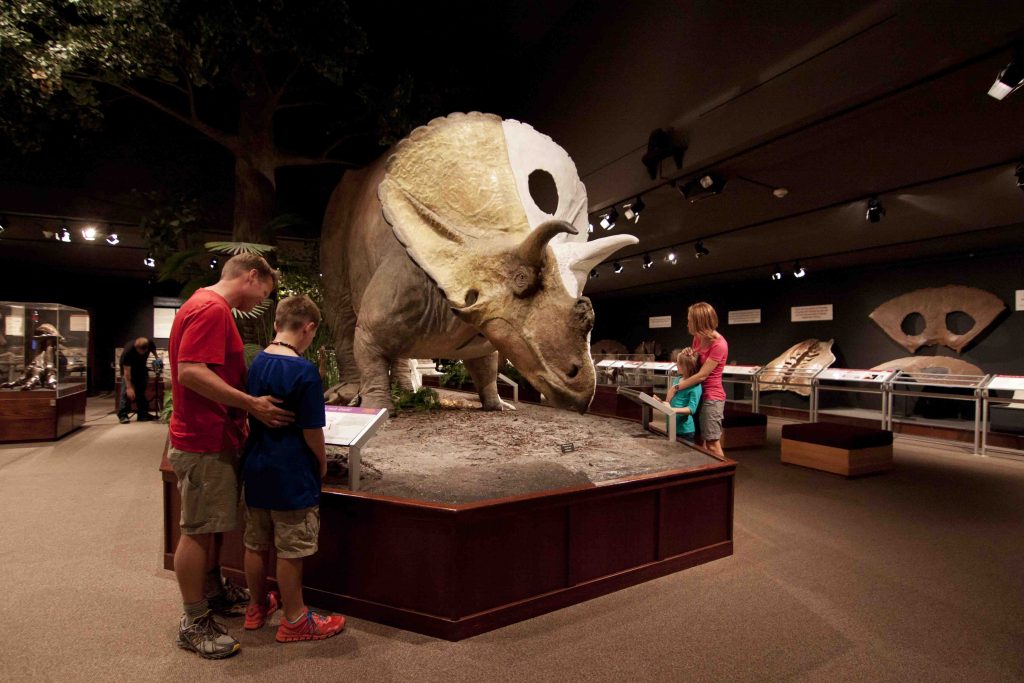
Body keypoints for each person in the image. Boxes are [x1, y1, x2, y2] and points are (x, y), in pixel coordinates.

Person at [168, 253, 294, 660]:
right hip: (204, 439)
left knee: (213, 522)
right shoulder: (212, 309)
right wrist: (251, 404)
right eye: (264, 292)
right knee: (199, 528)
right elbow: (189, 371)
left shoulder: (203, 305)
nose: (262, 301)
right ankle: (193, 620)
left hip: (213, 435)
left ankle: (213, 590)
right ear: (251, 276)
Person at [241, 295, 346, 643]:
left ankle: (255, 608)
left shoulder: (257, 363)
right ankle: (295, 619)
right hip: (291, 472)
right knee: (291, 548)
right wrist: (321, 462)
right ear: (309, 328)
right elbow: (311, 430)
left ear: (276, 324)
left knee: (256, 542)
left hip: (256, 466)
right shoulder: (304, 371)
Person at [670, 302, 728, 456]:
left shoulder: (719, 344)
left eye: (690, 320)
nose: (687, 323)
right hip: (697, 391)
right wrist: (689, 354)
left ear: (698, 322)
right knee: (696, 440)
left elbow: (703, 375)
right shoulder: (697, 338)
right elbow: (695, 367)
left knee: (712, 443)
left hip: (711, 396)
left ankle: (723, 477)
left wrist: (676, 387)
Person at [662, 349, 702, 442]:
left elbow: (691, 409)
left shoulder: (696, 386)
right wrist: (660, 402)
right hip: (671, 426)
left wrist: (673, 410)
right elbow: (669, 401)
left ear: (687, 366)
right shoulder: (677, 380)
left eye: (679, 363)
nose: (676, 365)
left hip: (685, 431)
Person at [118, 336, 156, 423]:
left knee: (141, 391)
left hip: (141, 368)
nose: (142, 354)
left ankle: (142, 414)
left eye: (144, 352)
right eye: (140, 352)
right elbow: (127, 372)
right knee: (125, 393)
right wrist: (129, 387)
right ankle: (122, 415)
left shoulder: (149, 343)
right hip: (128, 369)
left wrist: (157, 358)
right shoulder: (128, 351)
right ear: (136, 347)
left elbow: (153, 349)